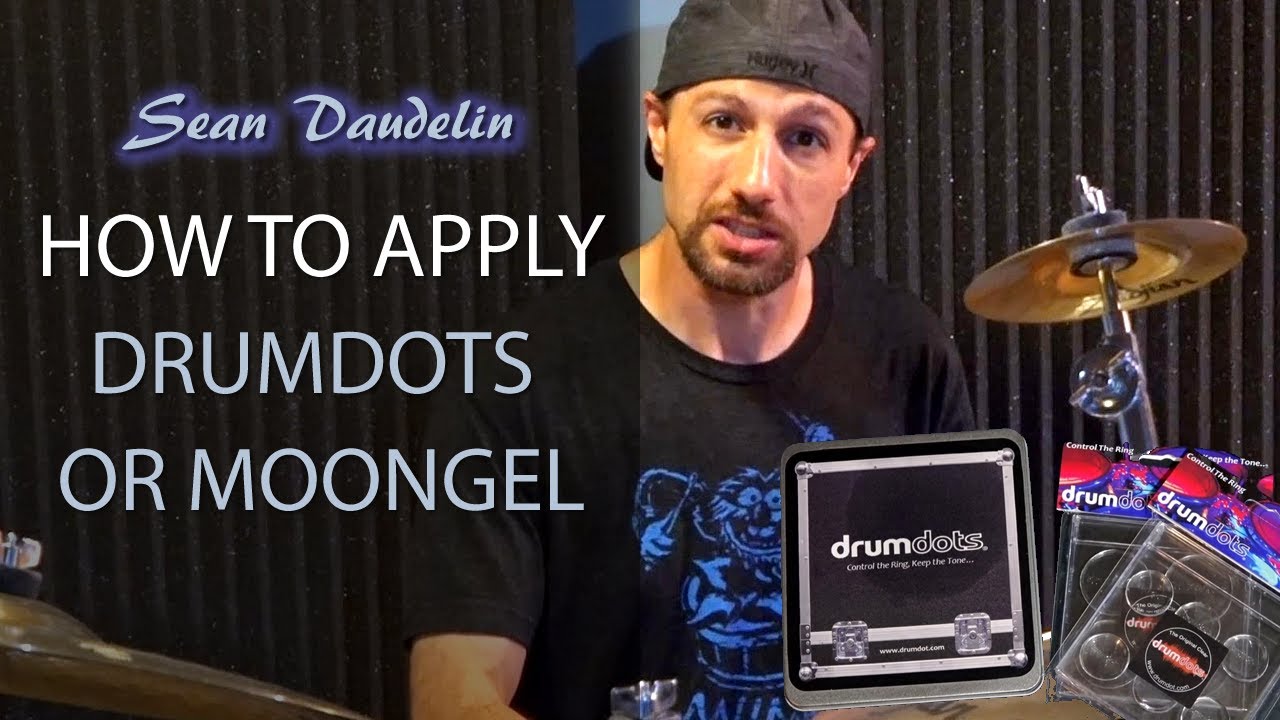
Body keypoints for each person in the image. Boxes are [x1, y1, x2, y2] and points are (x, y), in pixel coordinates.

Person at [403, 1, 976, 719]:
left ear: (851, 166)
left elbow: (951, 664)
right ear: (659, 128)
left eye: (804, 138)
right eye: (724, 122)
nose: (756, 180)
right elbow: (452, 696)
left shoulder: (905, 354)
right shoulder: (521, 374)